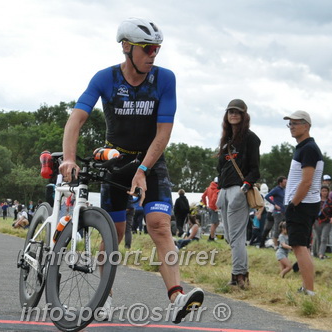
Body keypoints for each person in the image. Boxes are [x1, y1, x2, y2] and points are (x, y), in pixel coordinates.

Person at [58, 17, 203, 323]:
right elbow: (76, 119)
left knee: (160, 225)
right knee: (114, 231)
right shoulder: (105, 78)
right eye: (147, 48)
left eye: (157, 49)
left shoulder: (165, 79)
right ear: (127, 47)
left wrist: (144, 168)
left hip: (151, 161)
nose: (153, 54)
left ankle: (176, 297)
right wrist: (69, 158)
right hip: (116, 162)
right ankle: (104, 297)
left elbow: (164, 132)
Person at [216, 99, 261, 289]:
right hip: (224, 190)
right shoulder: (226, 140)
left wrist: (243, 188)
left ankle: (239, 276)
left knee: (236, 237)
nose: (233, 114)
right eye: (230, 112)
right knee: (229, 237)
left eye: (237, 112)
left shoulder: (250, 138)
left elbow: (255, 169)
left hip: (238, 190)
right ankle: (240, 273)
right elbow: (220, 167)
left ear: (244, 116)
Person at [283, 110, 323, 296]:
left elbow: (306, 181)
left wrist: (293, 203)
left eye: (295, 123)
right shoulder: (305, 147)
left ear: (306, 125)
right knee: (301, 246)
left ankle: (309, 290)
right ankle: (307, 288)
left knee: (299, 246)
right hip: (304, 203)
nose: (291, 127)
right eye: (289, 124)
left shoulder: (308, 148)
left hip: (302, 203)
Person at [312, 186, 332, 259]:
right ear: (320, 192)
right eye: (323, 191)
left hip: (327, 221)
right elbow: (312, 211)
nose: (324, 192)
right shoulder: (316, 201)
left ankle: (321, 254)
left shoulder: (330, 202)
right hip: (317, 221)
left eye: (326, 191)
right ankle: (316, 252)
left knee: (324, 238)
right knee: (317, 237)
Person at [263, 176, 287, 248]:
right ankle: (275, 245)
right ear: (280, 183)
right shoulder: (276, 189)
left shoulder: (284, 190)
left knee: (284, 229)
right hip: (277, 212)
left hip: (283, 212)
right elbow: (267, 196)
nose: (286, 183)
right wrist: (275, 204)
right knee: (277, 228)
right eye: (284, 182)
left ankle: (282, 244)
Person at [201, 177, 220, 241]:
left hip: (210, 207)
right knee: (214, 223)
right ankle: (211, 238)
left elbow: (203, 196)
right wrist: (216, 207)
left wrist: (205, 204)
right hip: (213, 208)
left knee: (216, 223)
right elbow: (214, 199)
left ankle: (211, 235)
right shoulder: (217, 189)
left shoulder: (209, 188)